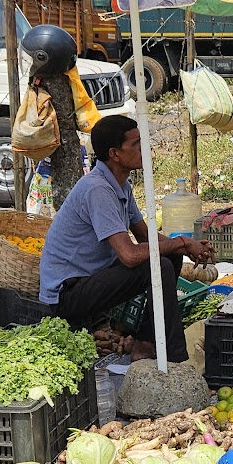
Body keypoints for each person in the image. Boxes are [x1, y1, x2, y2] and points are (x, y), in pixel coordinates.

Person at [39, 114, 214, 362]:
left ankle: (145, 342)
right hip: (67, 294)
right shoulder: (97, 189)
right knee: (161, 265)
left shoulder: (121, 185)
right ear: (115, 154)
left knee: (169, 256)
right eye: (135, 144)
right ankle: (173, 356)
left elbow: (143, 234)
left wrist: (185, 247)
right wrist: (182, 243)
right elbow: (130, 255)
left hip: (91, 278)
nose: (144, 149)